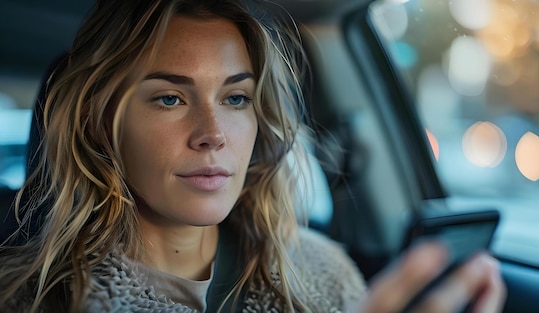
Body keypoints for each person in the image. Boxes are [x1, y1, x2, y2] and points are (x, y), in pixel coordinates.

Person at [0, 0, 506, 312]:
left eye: (235, 98)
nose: (213, 135)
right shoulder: (30, 300)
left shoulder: (322, 276)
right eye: (170, 98)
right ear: (99, 122)